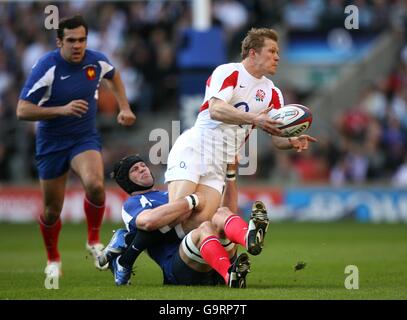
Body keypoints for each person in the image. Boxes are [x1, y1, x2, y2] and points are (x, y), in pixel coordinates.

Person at [16, 15, 136, 280]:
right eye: (71, 40)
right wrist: (61, 109)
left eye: (82, 39)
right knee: (51, 210)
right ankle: (53, 258)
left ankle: (93, 240)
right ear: (59, 41)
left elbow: (113, 75)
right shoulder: (47, 67)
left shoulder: (95, 60)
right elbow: (22, 110)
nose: (77, 45)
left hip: (83, 138)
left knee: (96, 184)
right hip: (51, 143)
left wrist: (124, 107)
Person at [164, 27, 317, 233]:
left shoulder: (273, 93)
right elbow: (216, 109)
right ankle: (131, 234)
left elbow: (275, 137)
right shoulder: (229, 72)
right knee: (175, 217)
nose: (277, 57)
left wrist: (290, 140)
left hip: (222, 161)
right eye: (272, 51)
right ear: (253, 53)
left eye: (278, 52)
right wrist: (255, 118)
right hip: (197, 148)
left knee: (194, 225)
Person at [99, 154, 269, 287]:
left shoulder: (170, 193)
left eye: (143, 165)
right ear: (126, 180)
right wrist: (191, 201)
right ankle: (228, 272)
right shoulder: (133, 204)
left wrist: (230, 175)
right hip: (178, 267)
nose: (142, 169)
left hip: (209, 260)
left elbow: (229, 212)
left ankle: (246, 241)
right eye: (135, 169)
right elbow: (148, 221)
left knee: (221, 212)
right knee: (204, 227)